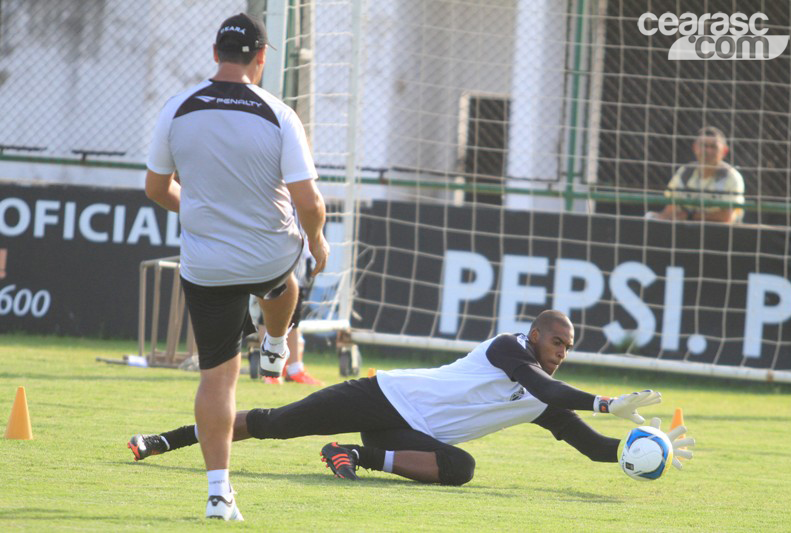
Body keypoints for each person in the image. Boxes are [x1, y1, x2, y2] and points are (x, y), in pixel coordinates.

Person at [128, 311, 694, 487]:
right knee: (274, 423)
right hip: (382, 396)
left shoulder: (546, 399)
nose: (561, 352)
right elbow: (544, 386)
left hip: (407, 437)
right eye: (556, 341)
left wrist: (644, 446)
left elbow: (593, 448)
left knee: (462, 467)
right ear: (535, 335)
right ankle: (166, 439)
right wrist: (601, 401)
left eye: (569, 347)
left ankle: (355, 456)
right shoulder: (507, 348)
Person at [142, 12, 329, 521]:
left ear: (215, 52)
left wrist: (200, 208)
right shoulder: (279, 114)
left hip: (206, 262)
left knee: (217, 380)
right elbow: (309, 203)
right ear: (262, 58)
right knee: (284, 284)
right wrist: (317, 239)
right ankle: (275, 346)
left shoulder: (177, 108)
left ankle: (219, 494)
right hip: (268, 252)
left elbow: (157, 190)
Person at [248, 244, 323, 385]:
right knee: (270, 307)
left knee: (294, 314)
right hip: (274, 249)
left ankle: (294, 368)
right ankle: (270, 369)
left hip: (297, 253)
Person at [648, 127, 745, 223]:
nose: (708, 151)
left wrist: (689, 216)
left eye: (713, 147)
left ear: (724, 151)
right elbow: (670, 209)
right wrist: (657, 218)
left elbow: (727, 217)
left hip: (721, 234)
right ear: (694, 147)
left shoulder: (732, 177)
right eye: (704, 146)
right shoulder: (684, 173)